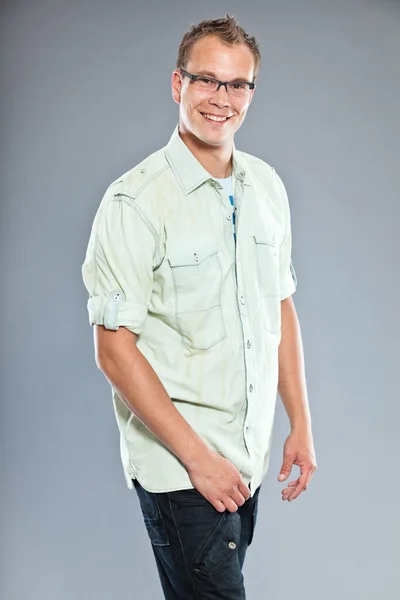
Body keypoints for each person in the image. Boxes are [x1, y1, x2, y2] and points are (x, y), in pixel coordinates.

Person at [81, 14, 317, 600]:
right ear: (177, 83)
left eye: (238, 84)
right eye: (207, 80)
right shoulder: (134, 201)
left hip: (247, 460)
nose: (222, 98)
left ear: (252, 91)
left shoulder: (267, 188)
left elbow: (279, 311)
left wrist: (301, 423)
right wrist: (198, 461)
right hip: (184, 465)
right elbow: (113, 350)